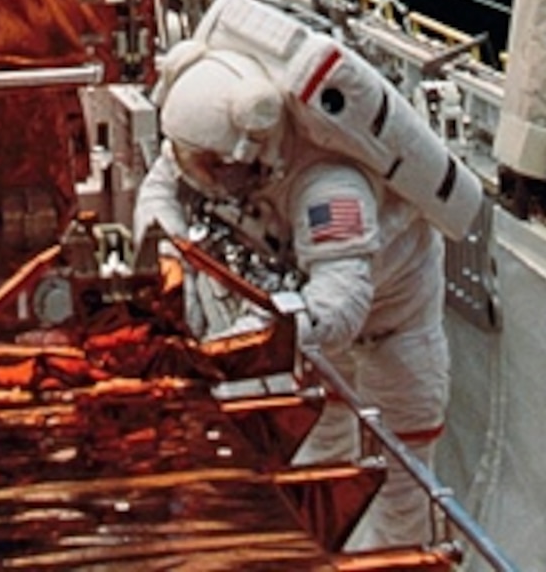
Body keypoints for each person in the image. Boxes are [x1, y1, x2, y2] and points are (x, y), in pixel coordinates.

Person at [134, 30, 452, 550]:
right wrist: (168, 260)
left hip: (392, 338)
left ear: (248, 153)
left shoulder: (330, 186)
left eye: (208, 167)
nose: (198, 175)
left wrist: (249, 338)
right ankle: (322, 553)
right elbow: (161, 185)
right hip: (314, 337)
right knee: (321, 456)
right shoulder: (213, 144)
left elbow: (340, 307)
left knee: (402, 486)